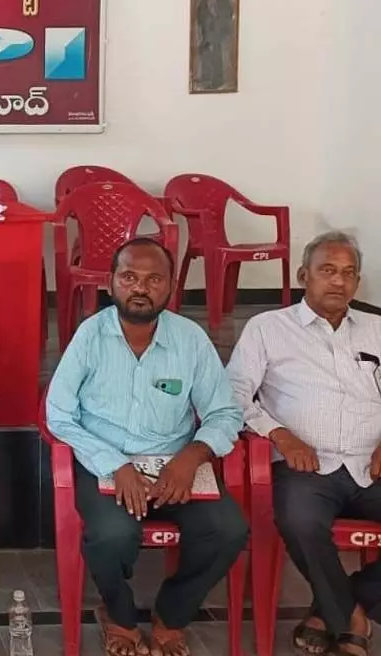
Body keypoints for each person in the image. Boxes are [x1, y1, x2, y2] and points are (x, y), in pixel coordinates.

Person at [46, 238, 247, 656]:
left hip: (174, 465)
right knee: (112, 534)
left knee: (228, 530)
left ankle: (171, 615)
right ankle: (118, 615)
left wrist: (191, 457)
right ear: (110, 282)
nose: (141, 287)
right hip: (105, 461)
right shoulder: (90, 336)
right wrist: (115, 465)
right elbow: (59, 414)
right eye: (129, 277)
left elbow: (225, 413)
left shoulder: (190, 339)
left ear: (171, 285)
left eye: (154, 278)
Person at [227, 231, 380, 656]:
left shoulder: (377, 329)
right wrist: (279, 433)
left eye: (349, 273)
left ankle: (341, 607)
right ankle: (350, 619)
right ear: (303, 276)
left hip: (371, 465)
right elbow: (232, 395)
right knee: (299, 520)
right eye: (327, 271)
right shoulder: (267, 329)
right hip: (305, 469)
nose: (339, 282)